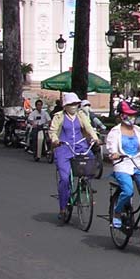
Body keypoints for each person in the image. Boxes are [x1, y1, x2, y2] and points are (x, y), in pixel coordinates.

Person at [48, 92, 100, 222]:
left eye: (75, 104)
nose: (73, 106)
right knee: (65, 179)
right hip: (64, 147)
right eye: (70, 104)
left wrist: (95, 138)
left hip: (80, 146)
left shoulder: (81, 115)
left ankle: (84, 184)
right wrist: (55, 140)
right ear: (65, 105)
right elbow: (53, 131)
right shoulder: (59, 116)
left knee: (92, 162)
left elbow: (88, 128)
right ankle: (63, 208)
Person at [105, 101, 140, 229]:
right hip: (122, 165)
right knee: (128, 191)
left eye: (133, 115)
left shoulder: (138, 130)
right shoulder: (115, 131)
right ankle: (117, 213)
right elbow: (111, 148)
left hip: (138, 164)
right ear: (121, 116)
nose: (131, 118)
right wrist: (114, 154)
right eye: (128, 115)